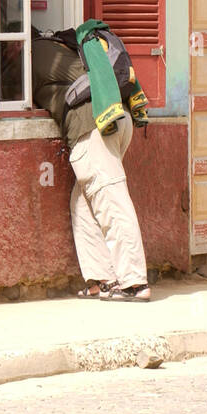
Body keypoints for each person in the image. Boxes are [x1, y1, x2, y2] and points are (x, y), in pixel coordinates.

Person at [31, 20, 152, 302]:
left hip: (93, 128)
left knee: (110, 198)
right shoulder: (66, 49)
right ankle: (102, 279)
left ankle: (134, 281)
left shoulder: (33, 55)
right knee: (83, 203)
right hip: (116, 120)